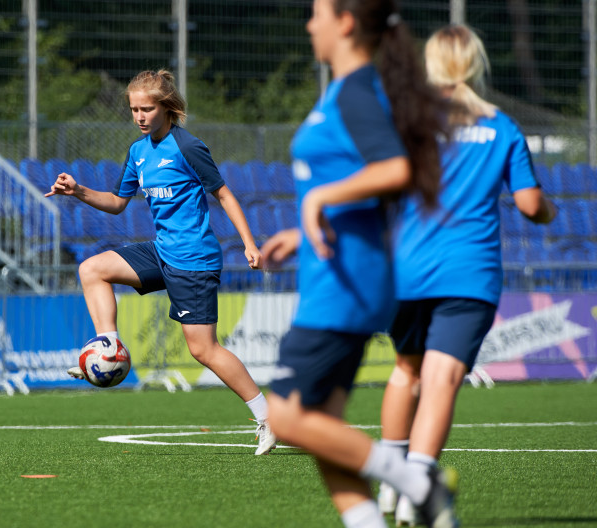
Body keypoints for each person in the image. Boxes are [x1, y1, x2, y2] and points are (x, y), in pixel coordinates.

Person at [260, 1, 459, 527]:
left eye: (316, 13)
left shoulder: (355, 91)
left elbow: (395, 168)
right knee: (324, 429)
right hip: (338, 273)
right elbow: (363, 186)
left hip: (346, 286)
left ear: (345, 22)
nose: (310, 24)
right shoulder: (345, 90)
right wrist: (301, 232)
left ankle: (418, 481)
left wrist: (318, 199)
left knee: (286, 417)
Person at [376, 24, 557, 525]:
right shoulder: (501, 126)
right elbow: (530, 205)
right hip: (468, 272)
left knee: (406, 371)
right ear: (476, 64)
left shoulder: (406, 121)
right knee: (443, 376)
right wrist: (549, 211)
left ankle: (391, 485)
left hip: (407, 270)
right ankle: (418, 487)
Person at [45, 69, 277, 456]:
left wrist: (250, 244)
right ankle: (108, 344)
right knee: (92, 269)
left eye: (147, 109)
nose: (139, 116)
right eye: (134, 109)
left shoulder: (188, 147)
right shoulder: (138, 152)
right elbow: (117, 204)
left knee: (203, 350)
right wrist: (78, 190)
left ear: (166, 108)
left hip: (194, 259)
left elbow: (224, 195)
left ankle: (268, 416)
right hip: (163, 250)